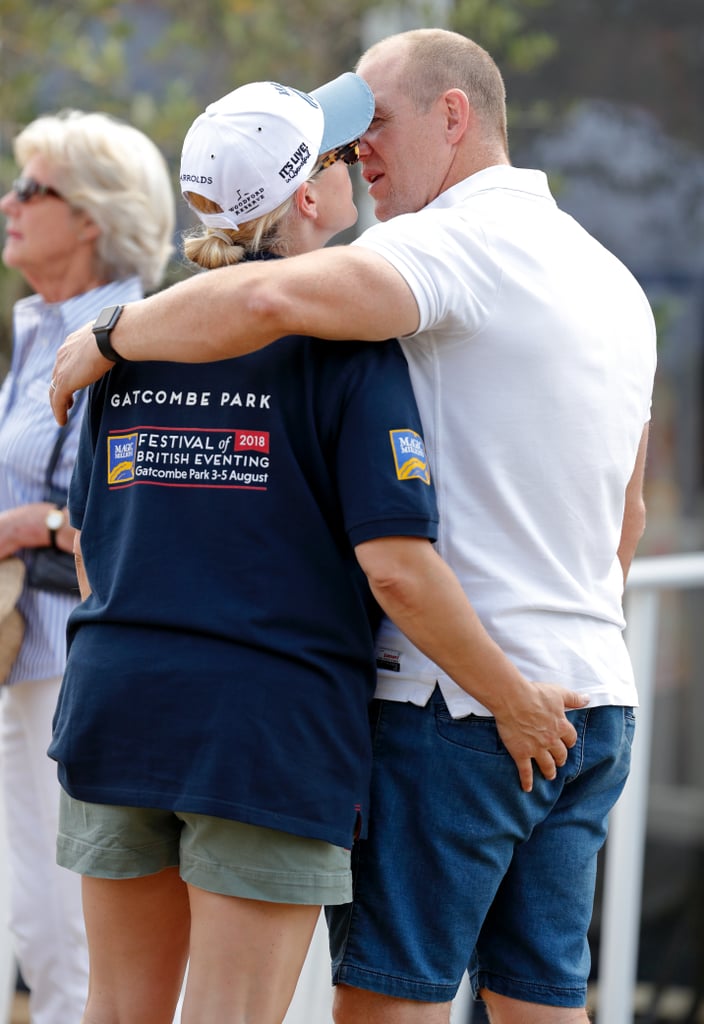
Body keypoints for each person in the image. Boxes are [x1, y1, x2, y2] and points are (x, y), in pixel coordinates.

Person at [49, 27, 656, 1024]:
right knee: (541, 1004)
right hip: (572, 694)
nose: (360, 156)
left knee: (358, 1008)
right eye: (341, 147)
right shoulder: (611, 284)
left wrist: (107, 333)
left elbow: (95, 538)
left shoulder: (411, 263)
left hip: (441, 700)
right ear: (298, 194)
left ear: (451, 114)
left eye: (370, 126)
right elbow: (621, 516)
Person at [0, 110, 174, 1023]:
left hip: (76, 654)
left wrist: (24, 522)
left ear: (94, 217)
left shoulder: (125, 337)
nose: (10, 202)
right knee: (40, 925)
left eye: (35, 189)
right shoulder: (40, 327)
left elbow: (136, 506)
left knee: (74, 935)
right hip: (32, 657)